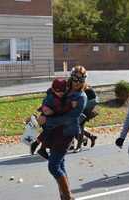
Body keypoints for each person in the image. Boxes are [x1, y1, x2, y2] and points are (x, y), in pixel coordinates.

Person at [40, 66, 88, 200]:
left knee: (53, 166)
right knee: (60, 164)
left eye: (80, 79)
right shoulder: (65, 88)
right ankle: (64, 195)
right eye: (75, 78)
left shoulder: (81, 97)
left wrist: (47, 120)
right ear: (71, 77)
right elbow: (51, 93)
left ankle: (68, 197)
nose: (77, 82)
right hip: (56, 131)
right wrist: (44, 108)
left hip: (67, 133)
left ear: (84, 80)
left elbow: (69, 118)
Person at [30, 78, 70, 159]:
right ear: (53, 89)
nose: (60, 93)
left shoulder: (60, 96)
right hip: (47, 118)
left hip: (51, 118)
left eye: (62, 91)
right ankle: (42, 149)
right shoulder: (51, 98)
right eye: (58, 91)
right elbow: (52, 107)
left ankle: (38, 146)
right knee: (51, 133)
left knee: (48, 133)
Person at [73, 85, 98, 153]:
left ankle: (79, 146)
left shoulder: (86, 90)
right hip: (80, 110)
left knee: (79, 126)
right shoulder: (73, 90)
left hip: (85, 110)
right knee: (75, 127)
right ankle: (91, 137)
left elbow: (94, 101)